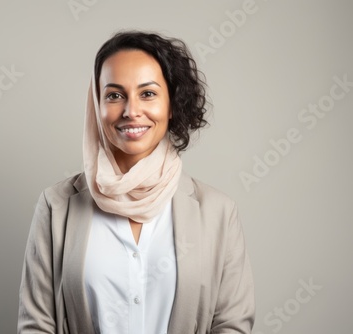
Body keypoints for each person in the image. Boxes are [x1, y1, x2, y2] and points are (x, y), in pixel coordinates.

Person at [17, 30, 255, 334]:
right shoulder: (57, 206)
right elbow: (36, 326)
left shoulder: (218, 211)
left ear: (172, 105)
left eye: (148, 93)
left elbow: (231, 325)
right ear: (96, 105)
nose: (131, 111)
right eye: (114, 95)